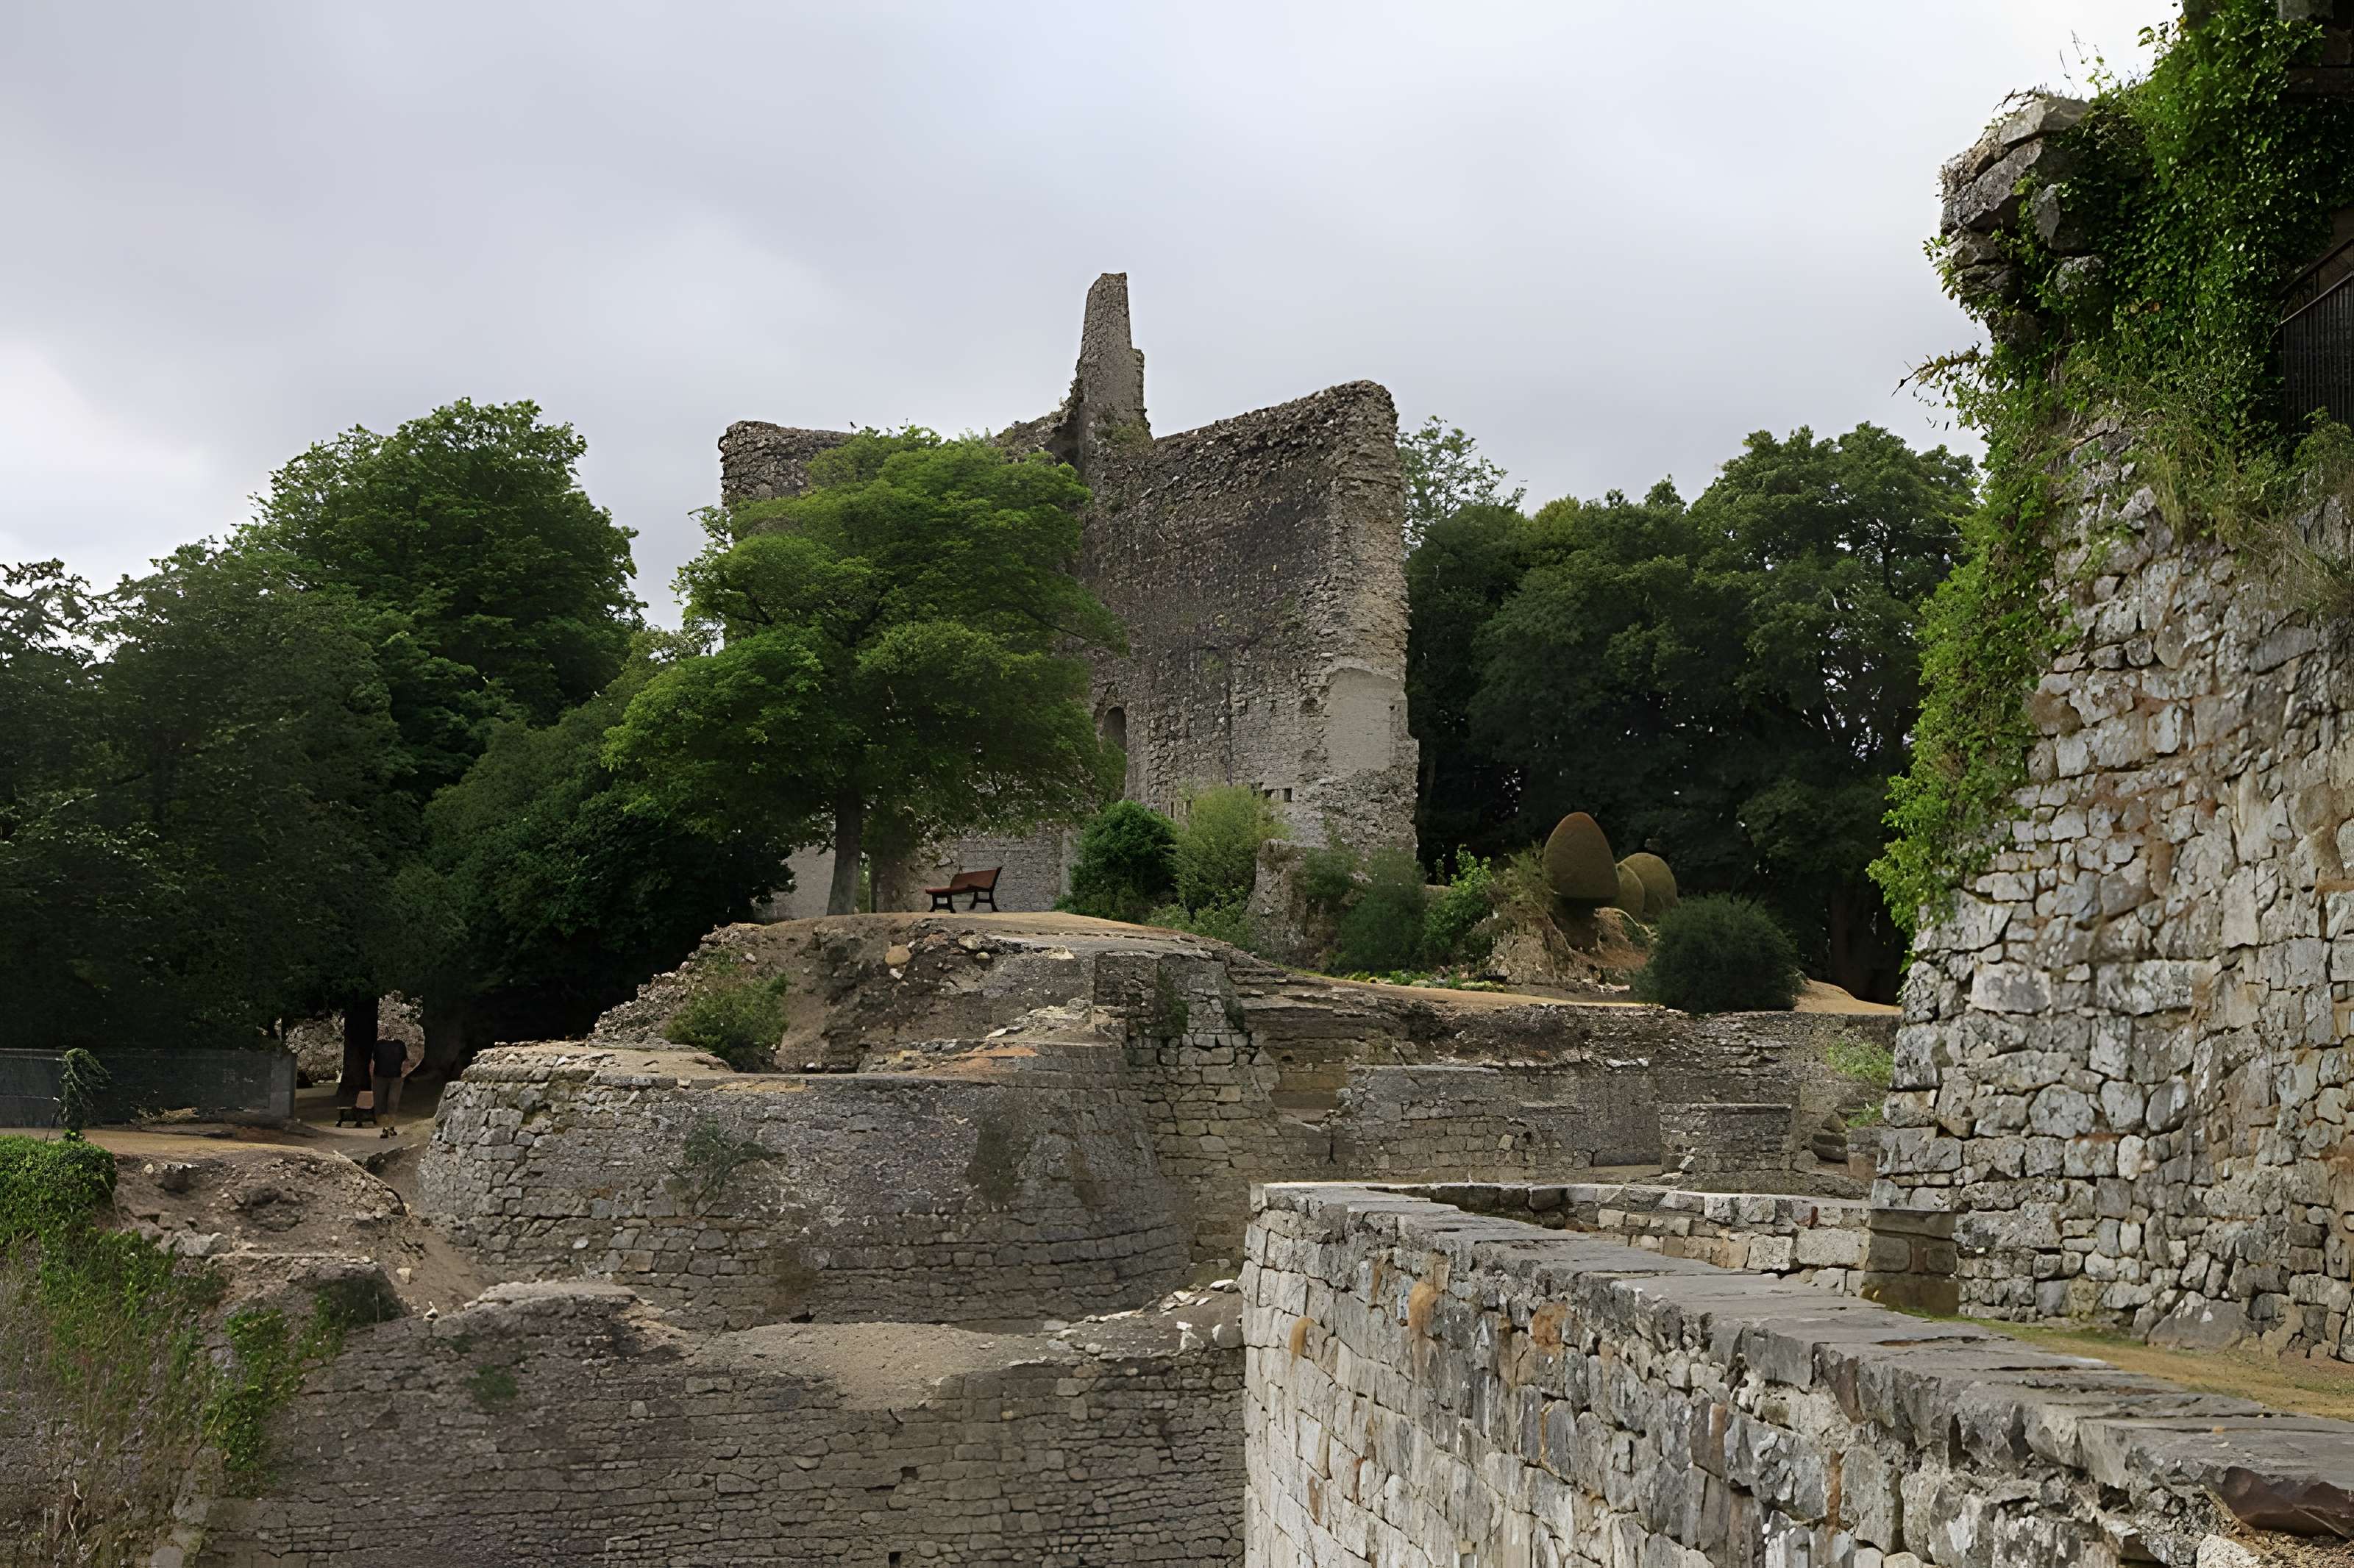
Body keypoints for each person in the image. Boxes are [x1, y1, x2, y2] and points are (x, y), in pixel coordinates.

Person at [369, 1034, 410, 1138]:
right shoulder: (378, 1045)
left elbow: (406, 1061)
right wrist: (373, 1077)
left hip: (395, 1078)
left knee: (392, 1102)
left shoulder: (400, 1045)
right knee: (382, 1104)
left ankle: (390, 1127)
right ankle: (386, 1129)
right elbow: (372, 1062)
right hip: (380, 1077)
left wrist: (404, 1074)